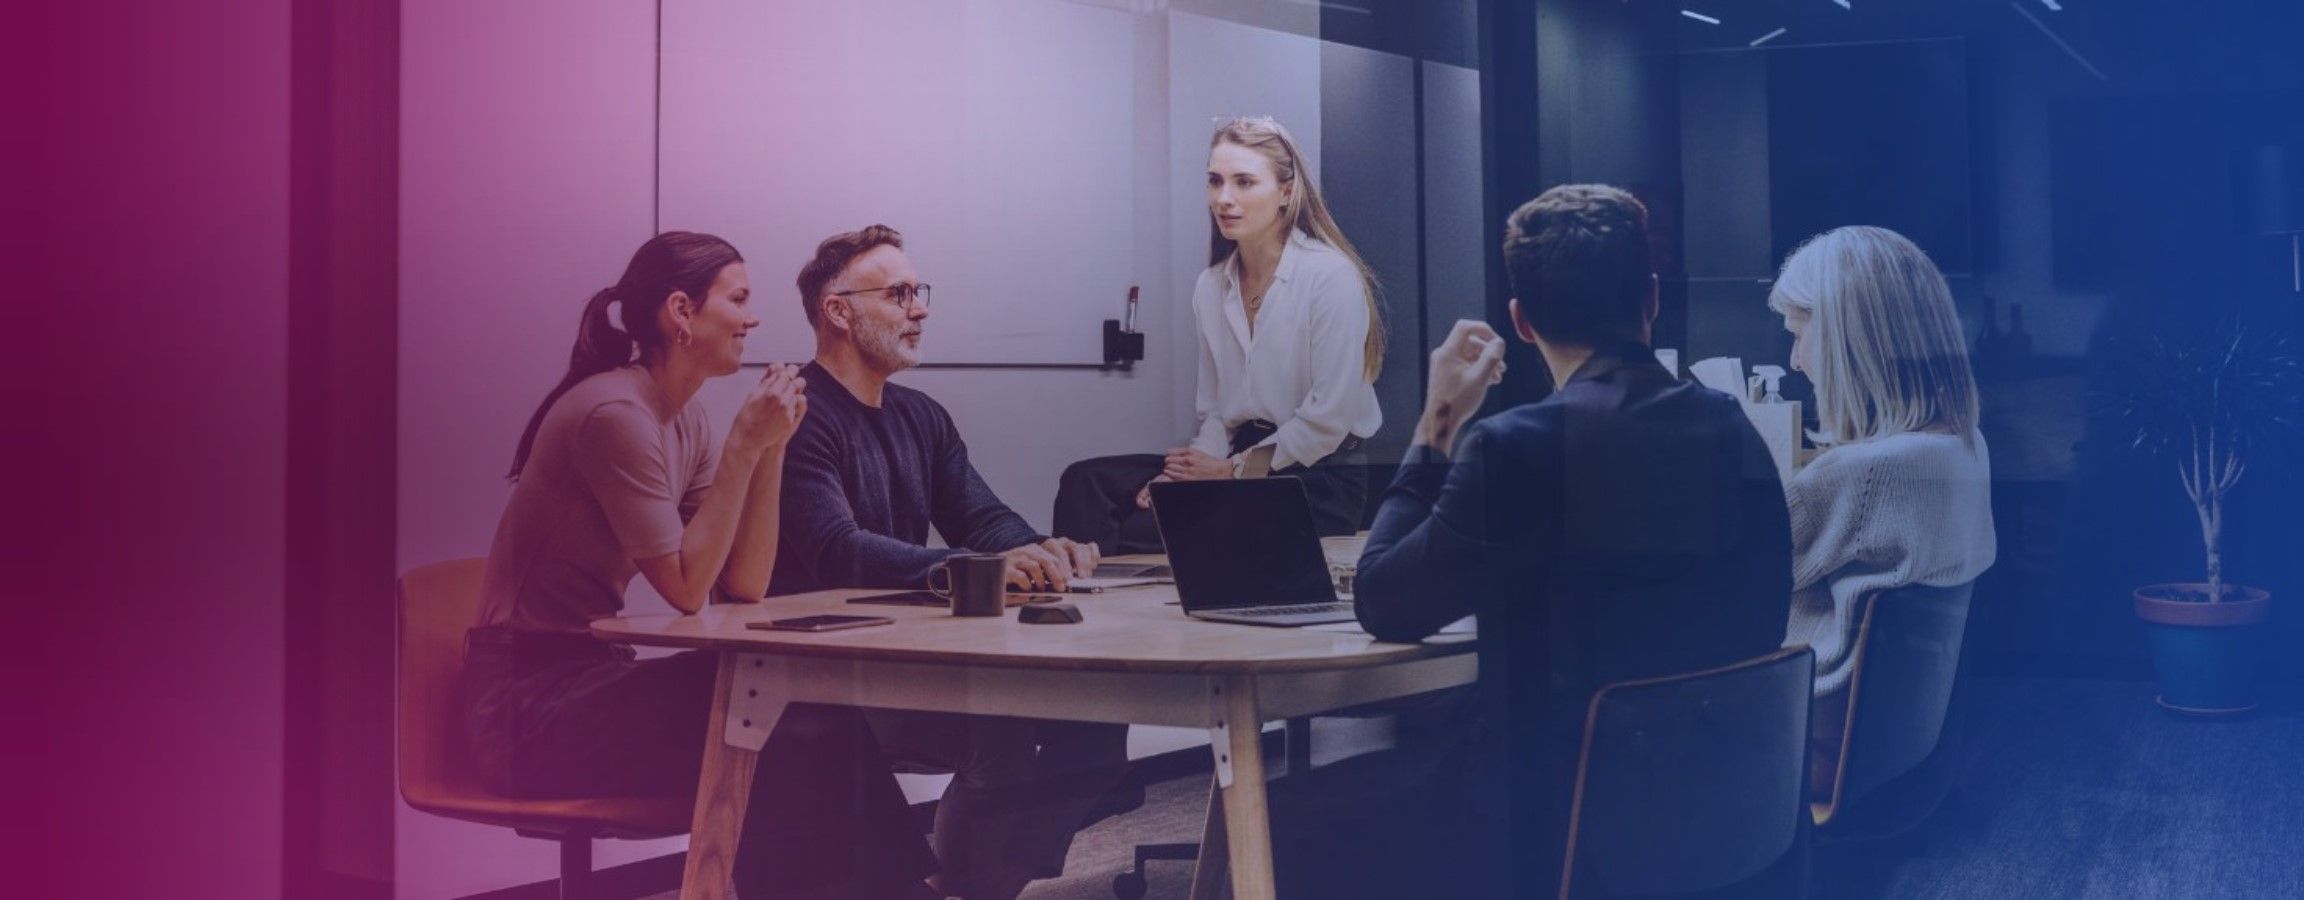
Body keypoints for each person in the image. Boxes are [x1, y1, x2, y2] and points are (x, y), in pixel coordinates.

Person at [1287, 185, 1795, 896]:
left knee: (1283, 819)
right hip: (1720, 803)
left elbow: (1384, 601)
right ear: (1651, 297)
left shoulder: (1516, 449)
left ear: (1521, 322)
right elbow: (1761, 617)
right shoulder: (1734, 432)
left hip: (1549, 818)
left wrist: (1436, 424)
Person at [461, 232, 936, 899]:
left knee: (792, 710)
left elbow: (741, 583)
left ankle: (899, 890)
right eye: (738, 300)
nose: (752, 318)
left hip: (586, 684)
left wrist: (771, 449)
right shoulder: (614, 414)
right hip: (522, 712)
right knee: (773, 711)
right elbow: (687, 591)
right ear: (681, 313)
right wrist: (745, 444)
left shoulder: (681, 423)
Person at [771, 225, 1132, 900]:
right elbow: (836, 550)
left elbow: (981, 518)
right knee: (996, 734)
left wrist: (1041, 549)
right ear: (838, 311)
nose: (921, 307)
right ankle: (964, 885)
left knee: (1097, 724)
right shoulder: (797, 413)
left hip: (914, 659)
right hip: (835, 678)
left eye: (920, 291)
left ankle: (957, 883)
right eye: (899, 292)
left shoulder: (921, 416)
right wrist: (966, 566)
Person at [1052, 116, 1383, 554]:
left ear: (1286, 192)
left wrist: (1228, 473)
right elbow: (1215, 415)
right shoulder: (1212, 286)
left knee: (1152, 530)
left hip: (1317, 474)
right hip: (1236, 458)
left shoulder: (1329, 278)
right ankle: (1081, 592)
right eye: (1215, 181)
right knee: (1086, 482)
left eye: (1244, 182)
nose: (1224, 199)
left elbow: (1326, 424)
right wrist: (1184, 476)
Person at [1767, 225, 1995, 795]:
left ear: (1850, 340)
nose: (1795, 360)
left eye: (1800, 334)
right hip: (1893, 741)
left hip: (1806, 738)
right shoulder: (1964, 445)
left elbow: (1746, 574)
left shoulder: (1864, 475)